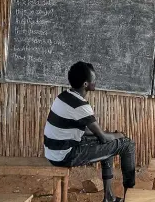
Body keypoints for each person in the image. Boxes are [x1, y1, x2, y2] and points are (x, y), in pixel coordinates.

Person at [44, 61, 135, 202]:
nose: (96, 81)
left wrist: (109, 135)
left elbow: (83, 130)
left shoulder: (64, 96)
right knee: (127, 144)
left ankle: (108, 197)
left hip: (53, 152)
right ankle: (131, 194)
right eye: (94, 78)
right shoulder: (81, 106)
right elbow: (104, 138)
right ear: (86, 84)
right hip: (65, 155)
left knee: (108, 143)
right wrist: (119, 135)